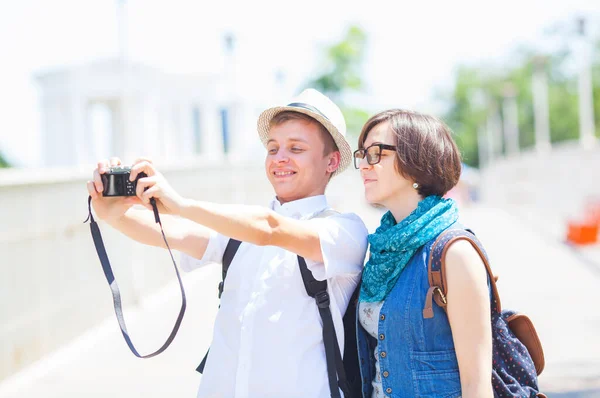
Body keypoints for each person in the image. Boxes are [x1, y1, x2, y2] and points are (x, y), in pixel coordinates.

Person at [86, 88, 368, 398]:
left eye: (296, 148)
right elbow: (169, 233)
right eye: (273, 148)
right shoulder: (238, 231)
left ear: (332, 162)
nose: (280, 158)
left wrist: (179, 203)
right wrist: (110, 213)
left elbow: (269, 228)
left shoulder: (343, 231)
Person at [353, 109, 493, 398]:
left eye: (377, 153)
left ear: (417, 161)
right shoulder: (382, 251)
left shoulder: (454, 253)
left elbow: (476, 384)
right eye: (363, 154)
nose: (365, 165)